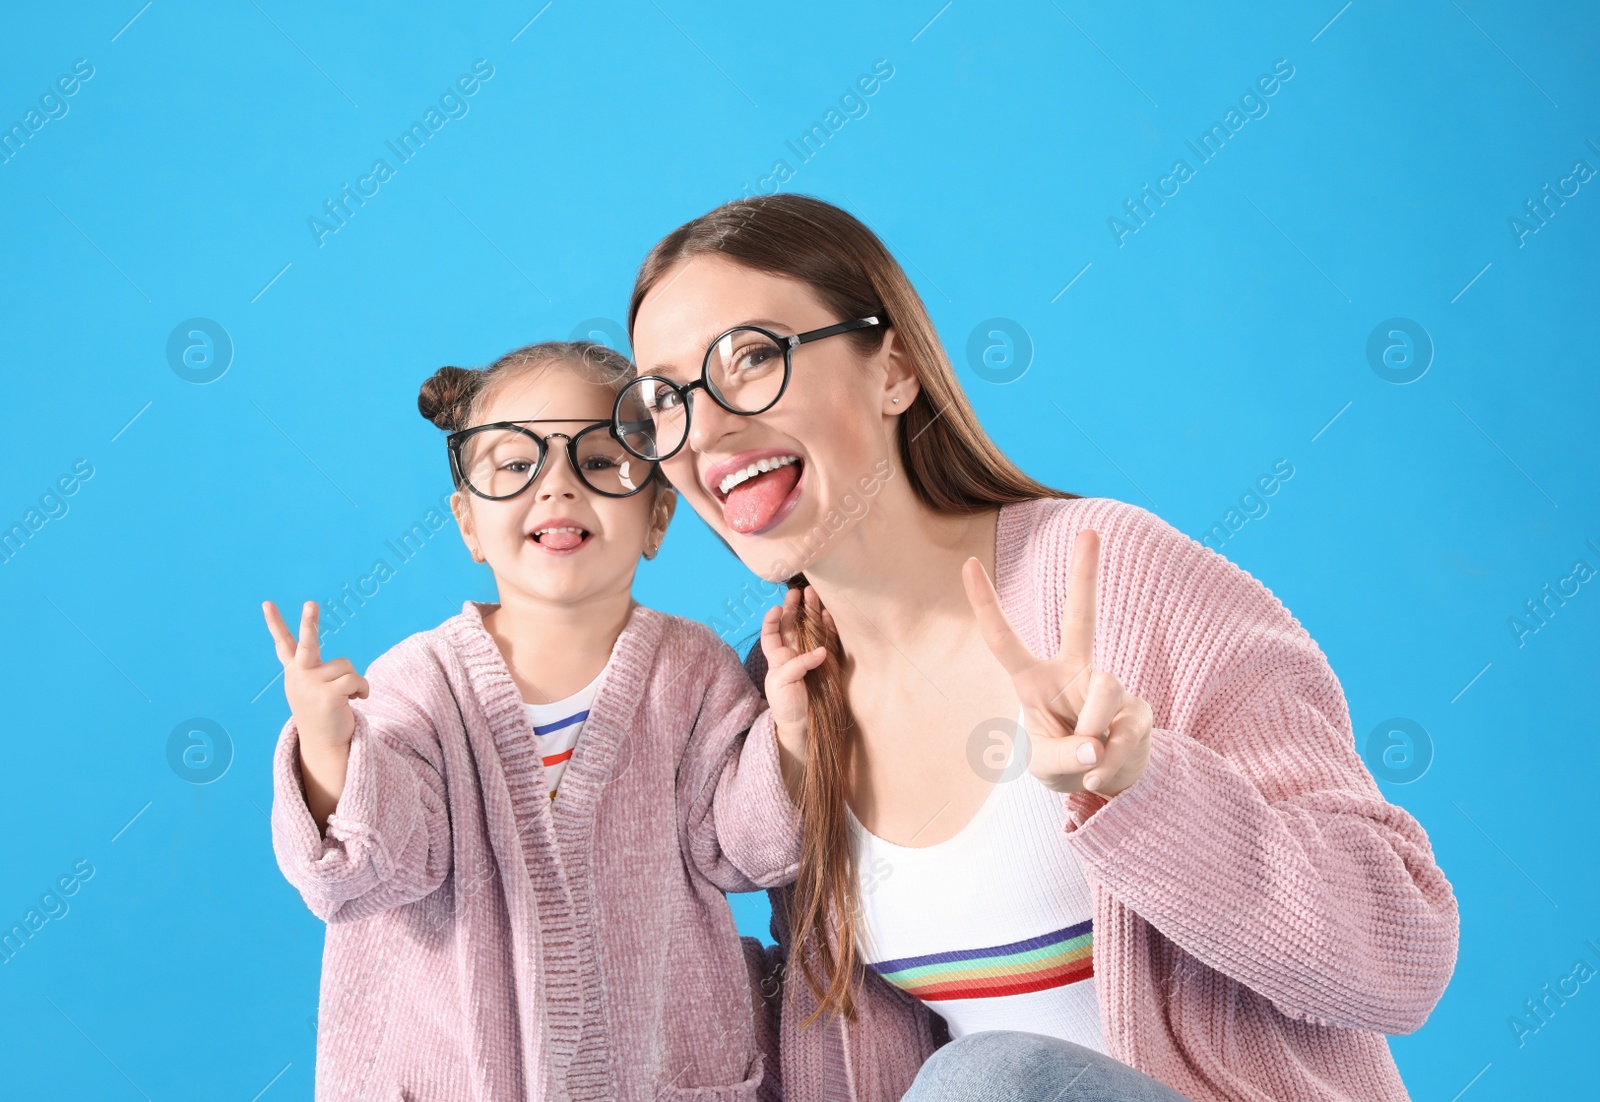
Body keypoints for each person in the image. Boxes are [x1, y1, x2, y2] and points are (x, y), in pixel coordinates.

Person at [612, 194, 1461, 1101]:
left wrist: (1146, 791)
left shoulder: (1116, 578)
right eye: (665, 400)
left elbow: (1400, 954)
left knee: (989, 1078)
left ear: (894, 368)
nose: (705, 429)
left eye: (751, 358)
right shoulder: (788, 698)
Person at [263, 339, 824, 1100]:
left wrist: (790, 735)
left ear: (658, 516)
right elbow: (370, 872)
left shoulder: (691, 673)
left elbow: (746, 851)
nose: (557, 488)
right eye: (515, 465)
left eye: (597, 462)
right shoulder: (419, 685)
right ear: (467, 522)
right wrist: (330, 750)